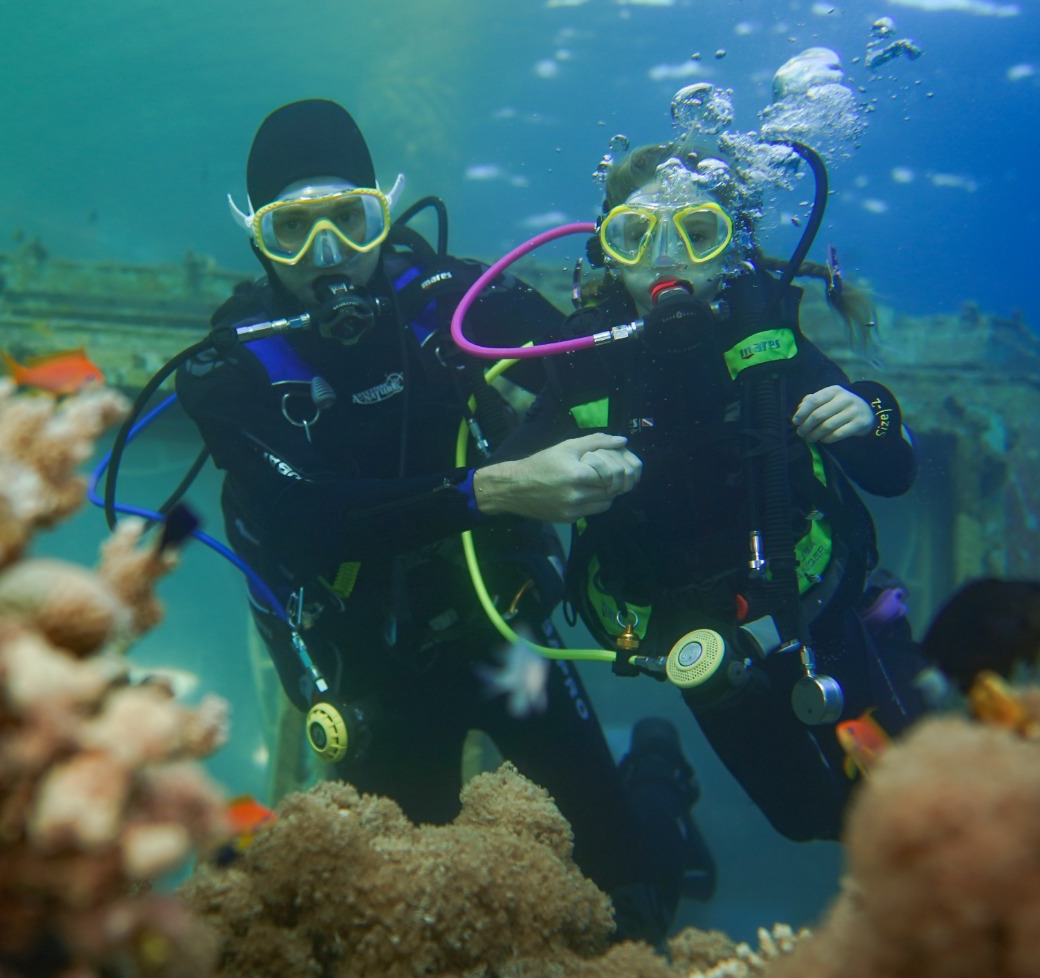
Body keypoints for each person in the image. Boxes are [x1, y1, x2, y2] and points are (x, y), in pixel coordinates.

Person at [175, 99, 713, 939]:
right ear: (257, 239)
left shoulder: (449, 297)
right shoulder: (227, 366)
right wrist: (497, 488)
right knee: (404, 914)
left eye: (350, 222)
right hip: (366, 666)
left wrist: (681, 286)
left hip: (503, 629)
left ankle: (655, 778)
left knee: (630, 899)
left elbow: (585, 358)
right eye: (293, 231)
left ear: (382, 213)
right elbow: (305, 521)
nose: (329, 258)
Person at [503, 134, 933, 843]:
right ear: (608, 250)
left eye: (697, 234)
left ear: (730, 248)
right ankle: (658, 773)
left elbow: (894, 472)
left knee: (898, 798)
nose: (668, 258)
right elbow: (505, 476)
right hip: (691, 640)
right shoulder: (582, 362)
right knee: (806, 820)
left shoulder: (763, 334)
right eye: (637, 236)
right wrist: (528, 480)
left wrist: (870, 412)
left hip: (813, 601)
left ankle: (885, 622)